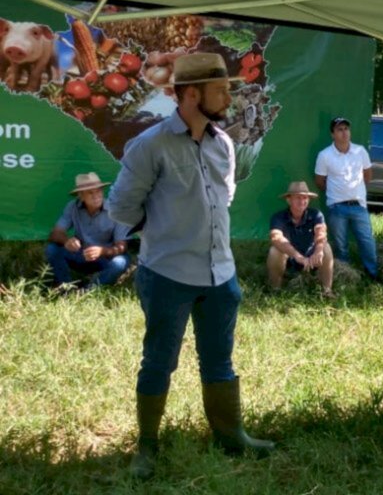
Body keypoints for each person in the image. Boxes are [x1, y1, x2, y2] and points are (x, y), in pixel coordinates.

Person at [107, 53, 273, 480]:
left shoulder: (224, 145)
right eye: (221, 89)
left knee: (220, 360)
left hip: (221, 274)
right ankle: (146, 447)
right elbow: (122, 208)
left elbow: (224, 198)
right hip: (167, 275)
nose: (229, 96)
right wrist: (165, 232)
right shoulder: (151, 145)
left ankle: (229, 434)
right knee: (159, 361)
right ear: (192, 94)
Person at [314, 117, 380, 282]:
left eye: (346, 129)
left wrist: (353, 192)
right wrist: (338, 194)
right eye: (339, 130)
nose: (344, 133)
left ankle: (372, 275)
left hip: (359, 205)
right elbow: (320, 181)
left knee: (367, 242)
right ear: (332, 134)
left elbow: (368, 175)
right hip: (337, 207)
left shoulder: (360, 151)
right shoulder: (324, 155)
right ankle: (347, 277)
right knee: (340, 245)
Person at [45, 172, 131, 290]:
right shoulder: (72, 207)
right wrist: (67, 241)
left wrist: (103, 251)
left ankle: (89, 289)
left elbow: (122, 246)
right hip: (80, 254)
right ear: (81, 195)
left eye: (98, 191)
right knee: (52, 249)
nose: (96, 195)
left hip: (105, 258)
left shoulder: (115, 210)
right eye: (90, 192)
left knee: (121, 262)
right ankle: (66, 287)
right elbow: (55, 233)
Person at [267, 181, 334, 296]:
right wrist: (297, 256)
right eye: (298, 198)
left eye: (305, 198)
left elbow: (321, 232)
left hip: (312, 259)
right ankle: (275, 290)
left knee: (326, 248)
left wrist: (318, 250)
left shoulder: (316, 214)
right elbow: (276, 237)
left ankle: (326, 291)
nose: (302, 201)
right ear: (289, 200)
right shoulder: (278, 217)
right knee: (274, 251)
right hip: (289, 260)